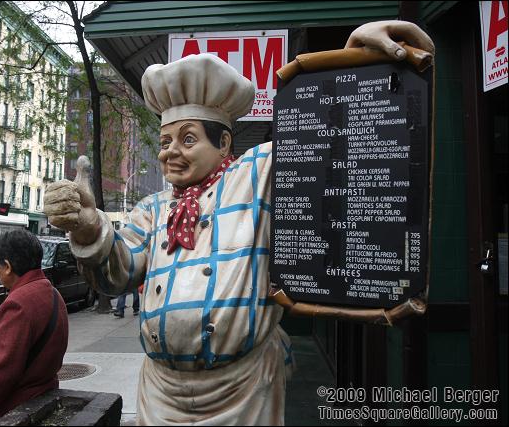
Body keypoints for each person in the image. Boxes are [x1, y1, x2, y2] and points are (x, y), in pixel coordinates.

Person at [45, 21, 434, 425]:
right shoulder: (154, 207)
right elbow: (118, 273)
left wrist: (354, 66)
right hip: (159, 390)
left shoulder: (256, 175)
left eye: (188, 139)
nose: (170, 153)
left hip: (243, 387)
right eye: (164, 142)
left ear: (225, 143)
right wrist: (88, 226)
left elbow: (325, 131)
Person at [0, 229, 69, 424]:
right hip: (44, 395)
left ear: (8, 266)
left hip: (17, 407)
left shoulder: (18, 303)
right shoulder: (53, 293)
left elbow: (0, 372)